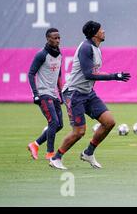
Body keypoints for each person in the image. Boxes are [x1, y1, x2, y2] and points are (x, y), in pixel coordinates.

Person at [49, 21, 131, 170]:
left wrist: (114, 76)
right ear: (95, 33)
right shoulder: (86, 48)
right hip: (74, 93)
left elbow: (93, 73)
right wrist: (114, 76)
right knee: (79, 131)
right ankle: (56, 158)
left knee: (109, 122)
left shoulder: (96, 48)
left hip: (87, 93)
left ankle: (88, 153)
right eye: (101, 30)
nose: (104, 31)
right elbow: (88, 74)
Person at [27, 28, 64, 160]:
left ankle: (35, 144)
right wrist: (35, 94)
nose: (58, 40)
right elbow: (31, 74)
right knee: (53, 122)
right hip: (43, 93)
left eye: (59, 38)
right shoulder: (41, 55)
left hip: (54, 94)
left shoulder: (59, 55)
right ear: (48, 39)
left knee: (59, 125)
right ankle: (50, 153)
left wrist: (61, 93)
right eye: (55, 38)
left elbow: (58, 74)